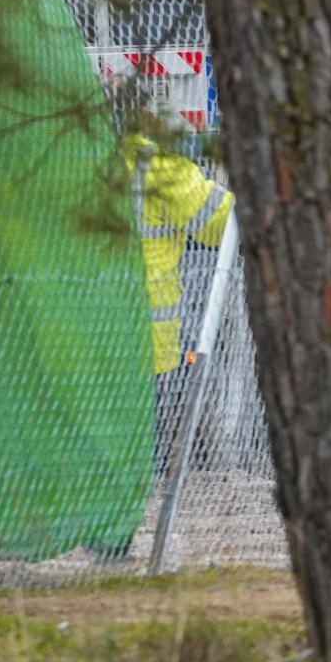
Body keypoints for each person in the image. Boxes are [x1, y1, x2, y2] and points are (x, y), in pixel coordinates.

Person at [121, 132, 234, 473]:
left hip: (70, 349)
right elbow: (221, 226)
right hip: (149, 350)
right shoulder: (155, 165)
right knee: (147, 463)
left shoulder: (58, 157)